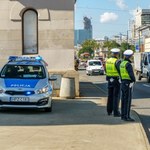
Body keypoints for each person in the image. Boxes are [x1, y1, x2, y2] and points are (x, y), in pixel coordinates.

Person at [120, 49, 136, 122]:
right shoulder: (128, 64)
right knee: (127, 100)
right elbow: (131, 74)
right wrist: (133, 80)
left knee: (123, 99)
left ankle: (123, 115)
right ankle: (127, 116)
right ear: (130, 56)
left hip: (123, 82)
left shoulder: (122, 63)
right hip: (128, 83)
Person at [105, 48, 121, 117]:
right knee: (116, 96)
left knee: (110, 95)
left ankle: (109, 111)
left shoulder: (107, 61)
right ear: (117, 54)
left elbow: (105, 70)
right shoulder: (117, 61)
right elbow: (120, 71)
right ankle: (116, 112)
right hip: (116, 80)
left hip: (109, 79)